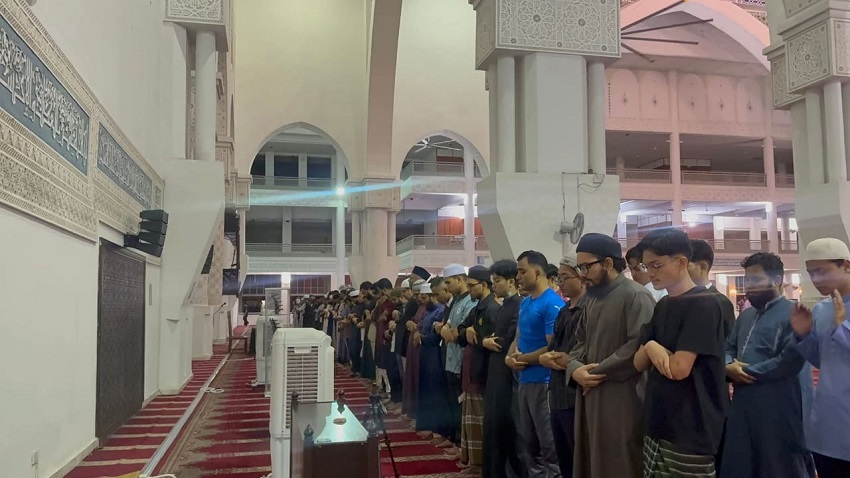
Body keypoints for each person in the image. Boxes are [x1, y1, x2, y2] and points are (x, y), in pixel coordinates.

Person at [633, 228, 727, 478]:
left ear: (682, 262)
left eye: (656, 265)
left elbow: (678, 369)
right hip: (658, 420)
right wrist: (652, 347)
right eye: (646, 266)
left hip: (691, 425)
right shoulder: (663, 304)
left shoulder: (705, 303)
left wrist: (651, 345)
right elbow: (637, 362)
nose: (650, 273)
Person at [567, 233, 655, 478]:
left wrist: (594, 373)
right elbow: (579, 341)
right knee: (590, 458)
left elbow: (638, 346)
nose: (582, 274)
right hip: (590, 391)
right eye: (580, 268)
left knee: (620, 461)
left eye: (586, 267)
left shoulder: (636, 296)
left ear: (607, 263)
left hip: (622, 395)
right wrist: (575, 369)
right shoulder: (592, 298)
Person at [722, 252, 813, 478]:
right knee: (742, 463)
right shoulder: (746, 316)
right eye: (746, 280)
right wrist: (727, 365)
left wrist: (743, 371)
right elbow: (728, 348)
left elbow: (788, 361)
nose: (748, 287)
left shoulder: (793, 314)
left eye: (755, 280)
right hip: (743, 404)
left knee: (776, 465)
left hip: (777, 405)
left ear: (776, 280)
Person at [791, 238, 850, 478]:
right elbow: (822, 361)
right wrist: (804, 335)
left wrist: (842, 327)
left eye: (822, 271)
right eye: (811, 273)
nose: (816, 280)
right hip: (828, 423)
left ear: (846, 265)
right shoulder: (823, 309)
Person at [506, 250, 563, 478]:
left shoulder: (552, 303)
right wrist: (510, 357)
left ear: (538, 272)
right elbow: (518, 337)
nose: (517, 277)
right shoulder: (526, 303)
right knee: (529, 446)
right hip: (525, 380)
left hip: (544, 382)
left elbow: (553, 347)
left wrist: (522, 359)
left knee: (549, 447)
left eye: (522, 271)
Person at [539, 255, 586, 478]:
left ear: (582, 278)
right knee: (563, 456)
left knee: (579, 457)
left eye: (565, 277)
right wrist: (545, 358)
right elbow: (554, 350)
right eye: (559, 277)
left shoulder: (589, 310)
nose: (561, 283)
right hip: (557, 393)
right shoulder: (565, 310)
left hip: (575, 395)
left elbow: (577, 355)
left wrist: (555, 359)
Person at [482, 260, 524, 478]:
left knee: (505, 424)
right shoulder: (505, 305)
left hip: (507, 371)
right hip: (496, 369)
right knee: (494, 422)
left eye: (497, 281)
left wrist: (488, 341)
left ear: (510, 282)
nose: (494, 286)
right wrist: (487, 340)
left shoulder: (518, 304)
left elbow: (508, 339)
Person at [456, 265, 500, 473]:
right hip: (471, 371)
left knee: (480, 421)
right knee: (470, 420)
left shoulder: (492, 309)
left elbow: (495, 342)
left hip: (482, 373)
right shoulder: (477, 309)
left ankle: (481, 465)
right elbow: (460, 331)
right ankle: (473, 462)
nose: (469, 290)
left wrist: (477, 338)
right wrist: (467, 331)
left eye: (471, 286)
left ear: (484, 285)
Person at [439, 263, 477, 451]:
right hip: (451, 360)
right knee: (453, 403)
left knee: (463, 406)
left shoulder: (471, 301)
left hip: (463, 361)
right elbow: (446, 327)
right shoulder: (456, 300)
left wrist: (447, 331)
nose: (446, 287)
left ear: (460, 279)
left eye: (448, 282)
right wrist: (446, 330)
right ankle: (455, 440)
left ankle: (462, 446)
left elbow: (456, 333)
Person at [414, 279, 453, 442]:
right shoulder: (429, 311)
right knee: (427, 390)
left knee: (436, 392)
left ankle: (439, 429)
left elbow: (435, 336)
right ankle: (428, 425)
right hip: (426, 355)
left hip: (435, 356)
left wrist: (421, 337)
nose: (423, 301)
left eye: (425, 297)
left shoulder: (441, 310)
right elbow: (423, 327)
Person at [688, 239, 736, 337]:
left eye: (683, 265)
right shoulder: (674, 299)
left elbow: (729, 340)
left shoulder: (721, 302)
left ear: (702, 267)